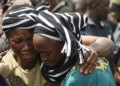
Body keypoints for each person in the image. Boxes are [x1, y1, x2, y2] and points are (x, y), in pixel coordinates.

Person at [32, 3, 116, 86]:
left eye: (47, 54)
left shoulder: (80, 74)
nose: (42, 58)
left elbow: (110, 43)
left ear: (66, 45)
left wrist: (93, 48)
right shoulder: (48, 65)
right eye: (39, 53)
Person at [1, 4, 46, 86]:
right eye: (18, 41)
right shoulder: (3, 71)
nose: (27, 47)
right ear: (7, 39)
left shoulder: (52, 61)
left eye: (31, 39)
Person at [84, 0, 115, 74]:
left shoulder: (107, 27)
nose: (109, 9)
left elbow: (112, 55)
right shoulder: (79, 26)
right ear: (95, 6)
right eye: (106, 6)